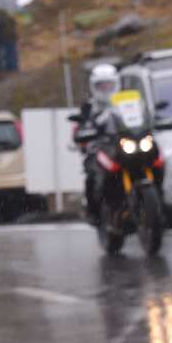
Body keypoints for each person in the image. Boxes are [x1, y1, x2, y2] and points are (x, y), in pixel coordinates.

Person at [72, 63, 124, 232]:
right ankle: (94, 211)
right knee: (93, 176)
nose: (105, 88)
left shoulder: (126, 101)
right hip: (99, 149)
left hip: (123, 146)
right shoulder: (88, 107)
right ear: (93, 86)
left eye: (109, 84)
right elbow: (79, 128)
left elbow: (141, 117)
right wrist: (84, 135)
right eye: (101, 85)